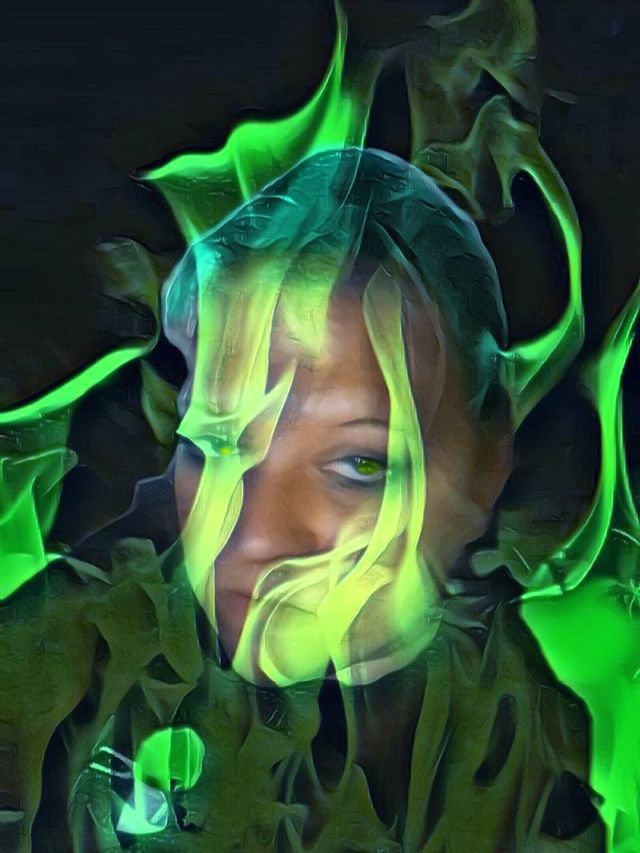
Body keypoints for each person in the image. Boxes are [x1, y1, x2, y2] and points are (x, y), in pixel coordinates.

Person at [2, 148, 604, 851]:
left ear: (487, 456)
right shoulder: (70, 661)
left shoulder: (525, 753)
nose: (255, 534)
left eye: (358, 464)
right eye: (218, 443)